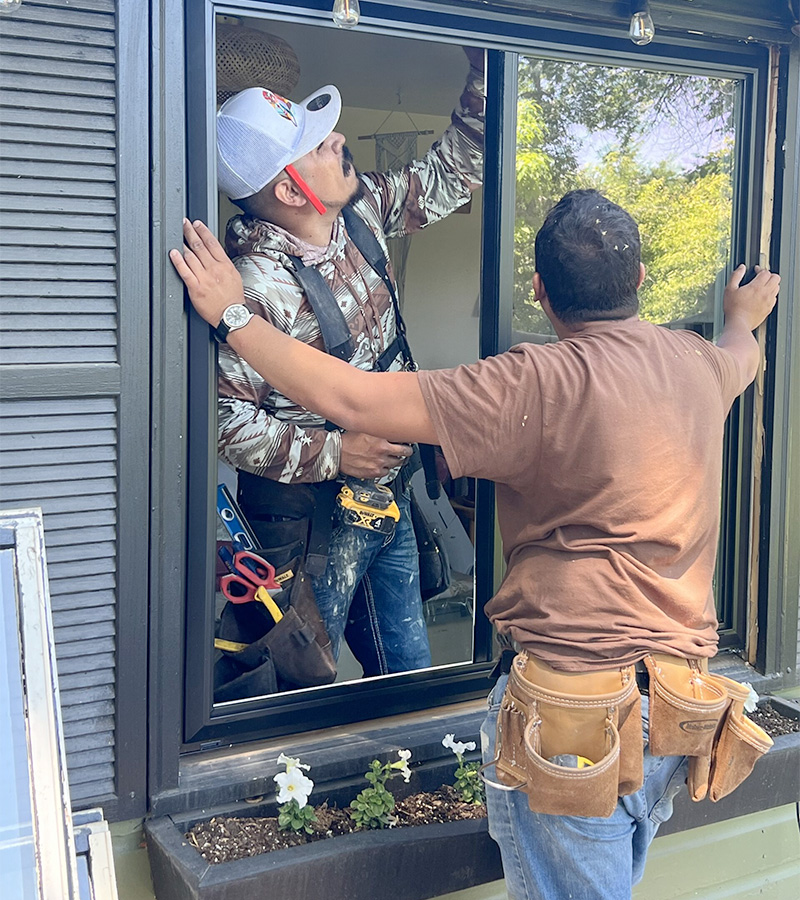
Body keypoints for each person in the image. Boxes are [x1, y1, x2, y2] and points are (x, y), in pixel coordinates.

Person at [171, 188, 780, 899]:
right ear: (639, 280)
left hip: (573, 722)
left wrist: (231, 313)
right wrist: (741, 319)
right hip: (677, 707)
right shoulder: (696, 365)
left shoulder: (533, 383)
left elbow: (354, 400)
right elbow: (744, 355)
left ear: (541, 291)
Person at [212, 48, 485, 678]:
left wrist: (483, 74)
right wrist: (337, 454)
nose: (337, 140)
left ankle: (409, 771)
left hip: (384, 493)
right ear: (288, 189)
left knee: (409, 666)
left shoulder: (356, 216)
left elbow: (451, 173)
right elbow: (229, 423)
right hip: (309, 525)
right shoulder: (253, 287)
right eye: (315, 147)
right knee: (307, 683)